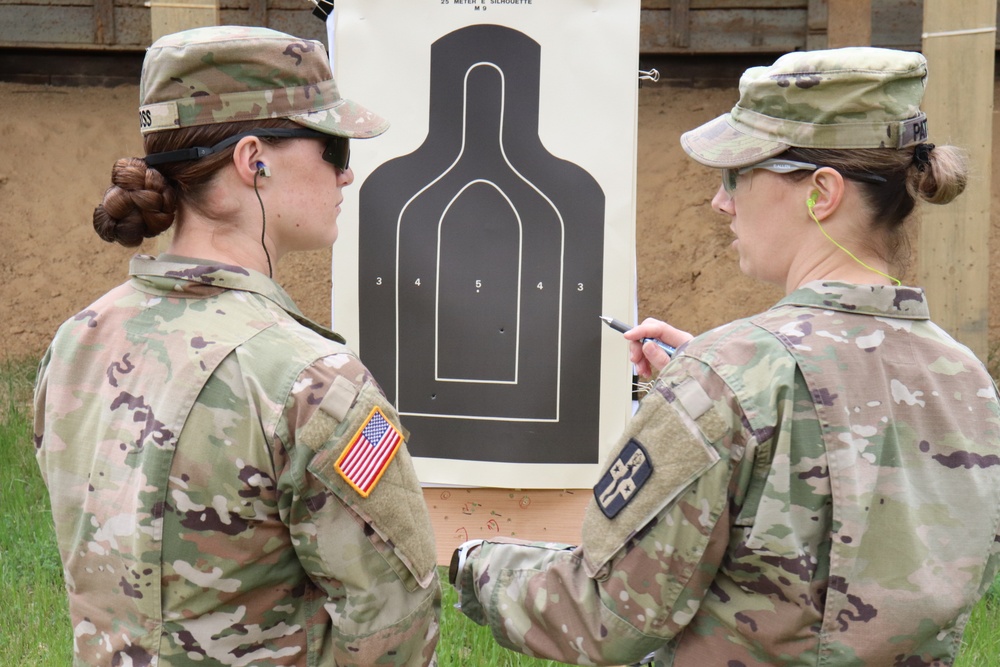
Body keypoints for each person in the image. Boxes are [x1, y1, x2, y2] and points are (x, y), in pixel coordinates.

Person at [448, 46, 1000, 665]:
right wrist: (714, 386)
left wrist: (473, 561)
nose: (721, 201)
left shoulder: (729, 378)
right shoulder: (970, 382)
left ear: (821, 192)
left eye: (738, 174)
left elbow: (609, 617)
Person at [33, 26, 440, 666]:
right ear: (255, 160)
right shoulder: (314, 383)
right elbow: (395, 628)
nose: (346, 173)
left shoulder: (78, 340)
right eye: (331, 147)